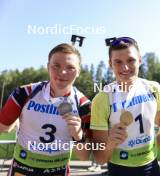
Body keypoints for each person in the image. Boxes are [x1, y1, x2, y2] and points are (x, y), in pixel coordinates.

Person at [89, 37, 160, 176]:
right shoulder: (101, 99)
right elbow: (100, 159)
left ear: (140, 60)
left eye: (130, 60)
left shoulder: (153, 88)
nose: (125, 68)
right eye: (118, 62)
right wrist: (111, 142)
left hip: (152, 167)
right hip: (119, 169)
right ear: (110, 64)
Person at [0, 43, 92, 175]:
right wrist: (10, 122)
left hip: (58, 171)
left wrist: (78, 137)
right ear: (48, 66)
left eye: (70, 67)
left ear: (78, 72)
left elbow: (84, 156)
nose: (62, 72)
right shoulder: (24, 93)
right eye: (56, 66)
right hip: (22, 169)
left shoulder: (83, 105)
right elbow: (2, 127)